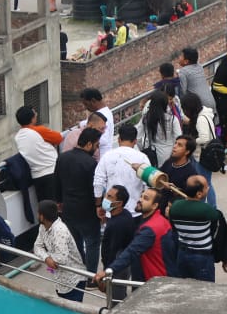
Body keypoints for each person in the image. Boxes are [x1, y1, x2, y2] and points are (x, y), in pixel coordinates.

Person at [96, 186, 172, 285]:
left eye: (146, 198)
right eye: (141, 196)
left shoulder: (150, 228)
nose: (140, 200)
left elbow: (131, 252)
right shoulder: (158, 221)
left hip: (152, 281)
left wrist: (108, 270)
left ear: (154, 205)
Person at [57, 127, 103, 270]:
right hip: (87, 211)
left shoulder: (62, 157)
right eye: (96, 145)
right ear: (89, 144)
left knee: (75, 242)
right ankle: (90, 275)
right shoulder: (91, 163)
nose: (97, 149)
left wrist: (59, 203)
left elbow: (56, 182)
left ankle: (80, 269)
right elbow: (95, 189)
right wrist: (99, 206)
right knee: (92, 243)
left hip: (68, 209)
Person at [166, 176, 223, 281]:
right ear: (199, 194)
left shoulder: (175, 207)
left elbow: (174, 228)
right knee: (205, 289)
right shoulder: (207, 210)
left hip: (182, 254)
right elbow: (216, 221)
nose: (208, 188)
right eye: (206, 187)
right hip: (202, 256)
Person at [34, 199, 86, 301]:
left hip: (73, 281)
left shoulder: (59, 231)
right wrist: (47, 258)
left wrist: (47, 256)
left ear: (42, 216)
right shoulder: (42, 227)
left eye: (38, 213)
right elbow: (37, 246)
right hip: (60, 281)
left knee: (73, 313)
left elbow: (61, 259)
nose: (37, 215)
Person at [94, 123, 149, 216]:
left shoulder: (107, 156)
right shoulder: (143, 158)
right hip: (135, 211)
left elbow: (98, 182)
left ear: (119, 139)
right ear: (135, 141)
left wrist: (98, 205)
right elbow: (148, 184)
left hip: (112, 211)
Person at [15, 105, 62, 205]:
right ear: (32, 119)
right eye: (35, 114)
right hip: (52, 171)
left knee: (44, 206)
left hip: (36, 176)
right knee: (57, 205)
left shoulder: (18, 137)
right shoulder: (39, 130)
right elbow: (58, 138)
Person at [139, 90, 181, 168]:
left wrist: (143, 148)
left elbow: (138, 137)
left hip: (150, 154)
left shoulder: (146, 118)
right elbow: (179, 138)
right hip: (168, 154)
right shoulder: (172, 119)